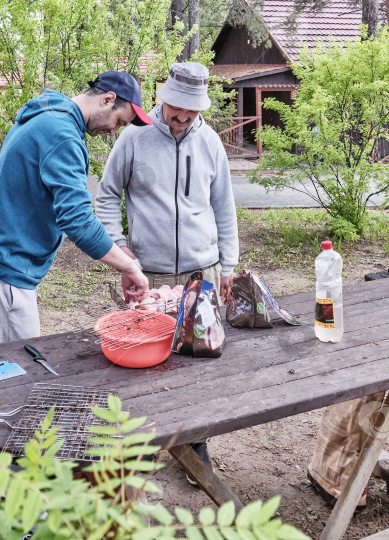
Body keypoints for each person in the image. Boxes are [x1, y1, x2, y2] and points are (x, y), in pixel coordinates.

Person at [95, 62, 240, 484]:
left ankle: (196, 446)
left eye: (190, 113)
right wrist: (120, 250)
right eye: (176, 109)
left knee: (198, 364)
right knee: (147, 367)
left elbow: (224, 208)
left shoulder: (211, 142)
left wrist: (227, 265)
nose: (181, 118)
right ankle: (140, 448)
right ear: (163, 99)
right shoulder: (132, 136)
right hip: (149, 273)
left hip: (203, 269)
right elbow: (106, 197)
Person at [0, 71, 152, 350]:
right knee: (17, 369)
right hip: (2, 271)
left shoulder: (49, 116)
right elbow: (77, 220)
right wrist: (128, 265)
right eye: (119, 121)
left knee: (9, 365)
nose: (113, 132)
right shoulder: (62, 134)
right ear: (107, 99)